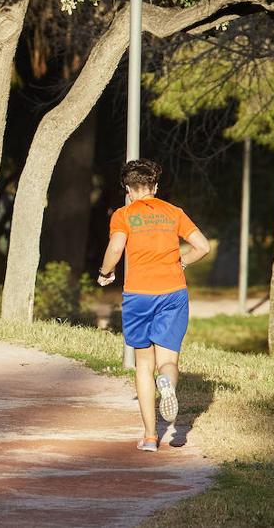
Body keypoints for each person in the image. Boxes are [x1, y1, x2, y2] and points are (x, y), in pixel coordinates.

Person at [96, 159, 209, 453]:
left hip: (139, 296)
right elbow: (203, 247)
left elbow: (116, 248)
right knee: (168, 361)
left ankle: (149, 437)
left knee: (143, 365)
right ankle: (167, 384)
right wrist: (182, 261)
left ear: (128, 190)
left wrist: (105, 273)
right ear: (155, 187)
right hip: (173, 292)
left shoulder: (123, 215)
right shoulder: (174, 213)